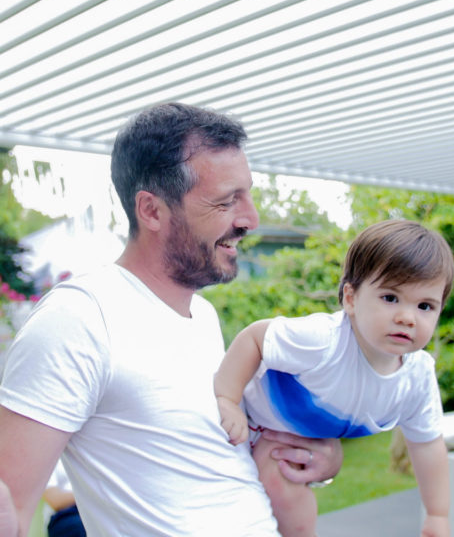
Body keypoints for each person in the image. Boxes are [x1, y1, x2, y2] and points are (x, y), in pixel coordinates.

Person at [0, 102, 342, 537]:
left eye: (247, 195)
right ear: (152, 211)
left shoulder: (203, 316)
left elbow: (209, 463)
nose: (250, 219)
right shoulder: (78, 320)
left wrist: (319, 460)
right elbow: (10, 504)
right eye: (225, 201)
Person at [215, 219, 454, 537]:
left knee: (285, 487)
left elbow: (427, 445)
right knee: (281, 486)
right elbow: (256, 338)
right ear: (351, 299)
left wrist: (437, 514)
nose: (407, 317)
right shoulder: (323, 341)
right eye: (390, 298)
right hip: (259, 418)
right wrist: (227, 399)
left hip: (298, 434)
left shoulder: (417, 378)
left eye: (425, 305)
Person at [43, 460, 86, 537]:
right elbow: (55, 500)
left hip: (95, 508)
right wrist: (88, 495)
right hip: (67, 514)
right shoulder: (48, 458)